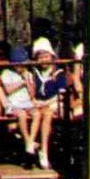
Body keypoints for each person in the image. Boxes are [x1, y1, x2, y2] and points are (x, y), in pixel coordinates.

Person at [28, 37, 66, 169]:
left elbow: (61, 95)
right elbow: (33, 93)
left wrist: (45, 103)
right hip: (41, 103)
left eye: (46, 56)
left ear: (51, 56)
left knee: (48, 112)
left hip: (55, 102)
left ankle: (44, 150)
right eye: (40, 57)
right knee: (37, 112)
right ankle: (32, 144)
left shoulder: (58, 73)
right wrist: (34, 101)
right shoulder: (36, 73)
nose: (43, 60)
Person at [0, 45, 37, 162]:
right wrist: (22, 82)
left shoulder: (29, 74)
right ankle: (28, 141)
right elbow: (8, 90)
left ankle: (31, 139)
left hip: (27, 103)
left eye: (23, 64)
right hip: (15, 104)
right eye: (18, 65)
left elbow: (32, 94)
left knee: (37, 113)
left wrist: (29, 83)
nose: (21, 67)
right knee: (22, 115)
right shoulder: (6, 73)